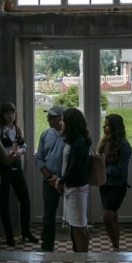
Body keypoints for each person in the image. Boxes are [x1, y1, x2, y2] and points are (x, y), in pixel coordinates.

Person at [0, 102, 39, 246]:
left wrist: (20, 151)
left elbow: (24, 146)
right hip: (4, 168)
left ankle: (25, 231)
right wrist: (9, 154)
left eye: (13, 113)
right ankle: (9, 236)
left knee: (25, 198)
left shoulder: (17, 129)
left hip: (17, 166)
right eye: (8, 113)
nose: (11, 116)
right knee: (4, 202)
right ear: (3, 115)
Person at [52, 107, 92, 253]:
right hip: (71, 187)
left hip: (76, 188)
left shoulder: (79, 142)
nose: (61, 123)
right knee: (75, 224)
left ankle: (82, 254)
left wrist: (61, 180)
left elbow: (74, 167)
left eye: (63, 121)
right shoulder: (73, 140)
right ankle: (79, 252)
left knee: (79, 224)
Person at [33, 104, 66, 252]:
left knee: (74, 214)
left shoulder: (70, 135)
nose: (48, 119)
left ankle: (78, 248)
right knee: (49, 214)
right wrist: (49, 176)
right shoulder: (45, 134)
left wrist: (62, 179)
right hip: (49, 181)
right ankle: (47, 246)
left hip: (67, 181)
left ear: (61, 118)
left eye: (52, 117)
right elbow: (39, 157)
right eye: (48, 116)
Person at [97, 113, 132, 250]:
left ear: (114, 128)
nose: (104, 127)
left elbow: (120, 170)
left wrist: (103, 168)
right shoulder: (105, 143)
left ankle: (116, 246)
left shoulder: (124, 146)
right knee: (112, 217)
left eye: (107, 125)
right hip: (105, 185)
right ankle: (115, 245)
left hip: (117, 186)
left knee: (107, 216)